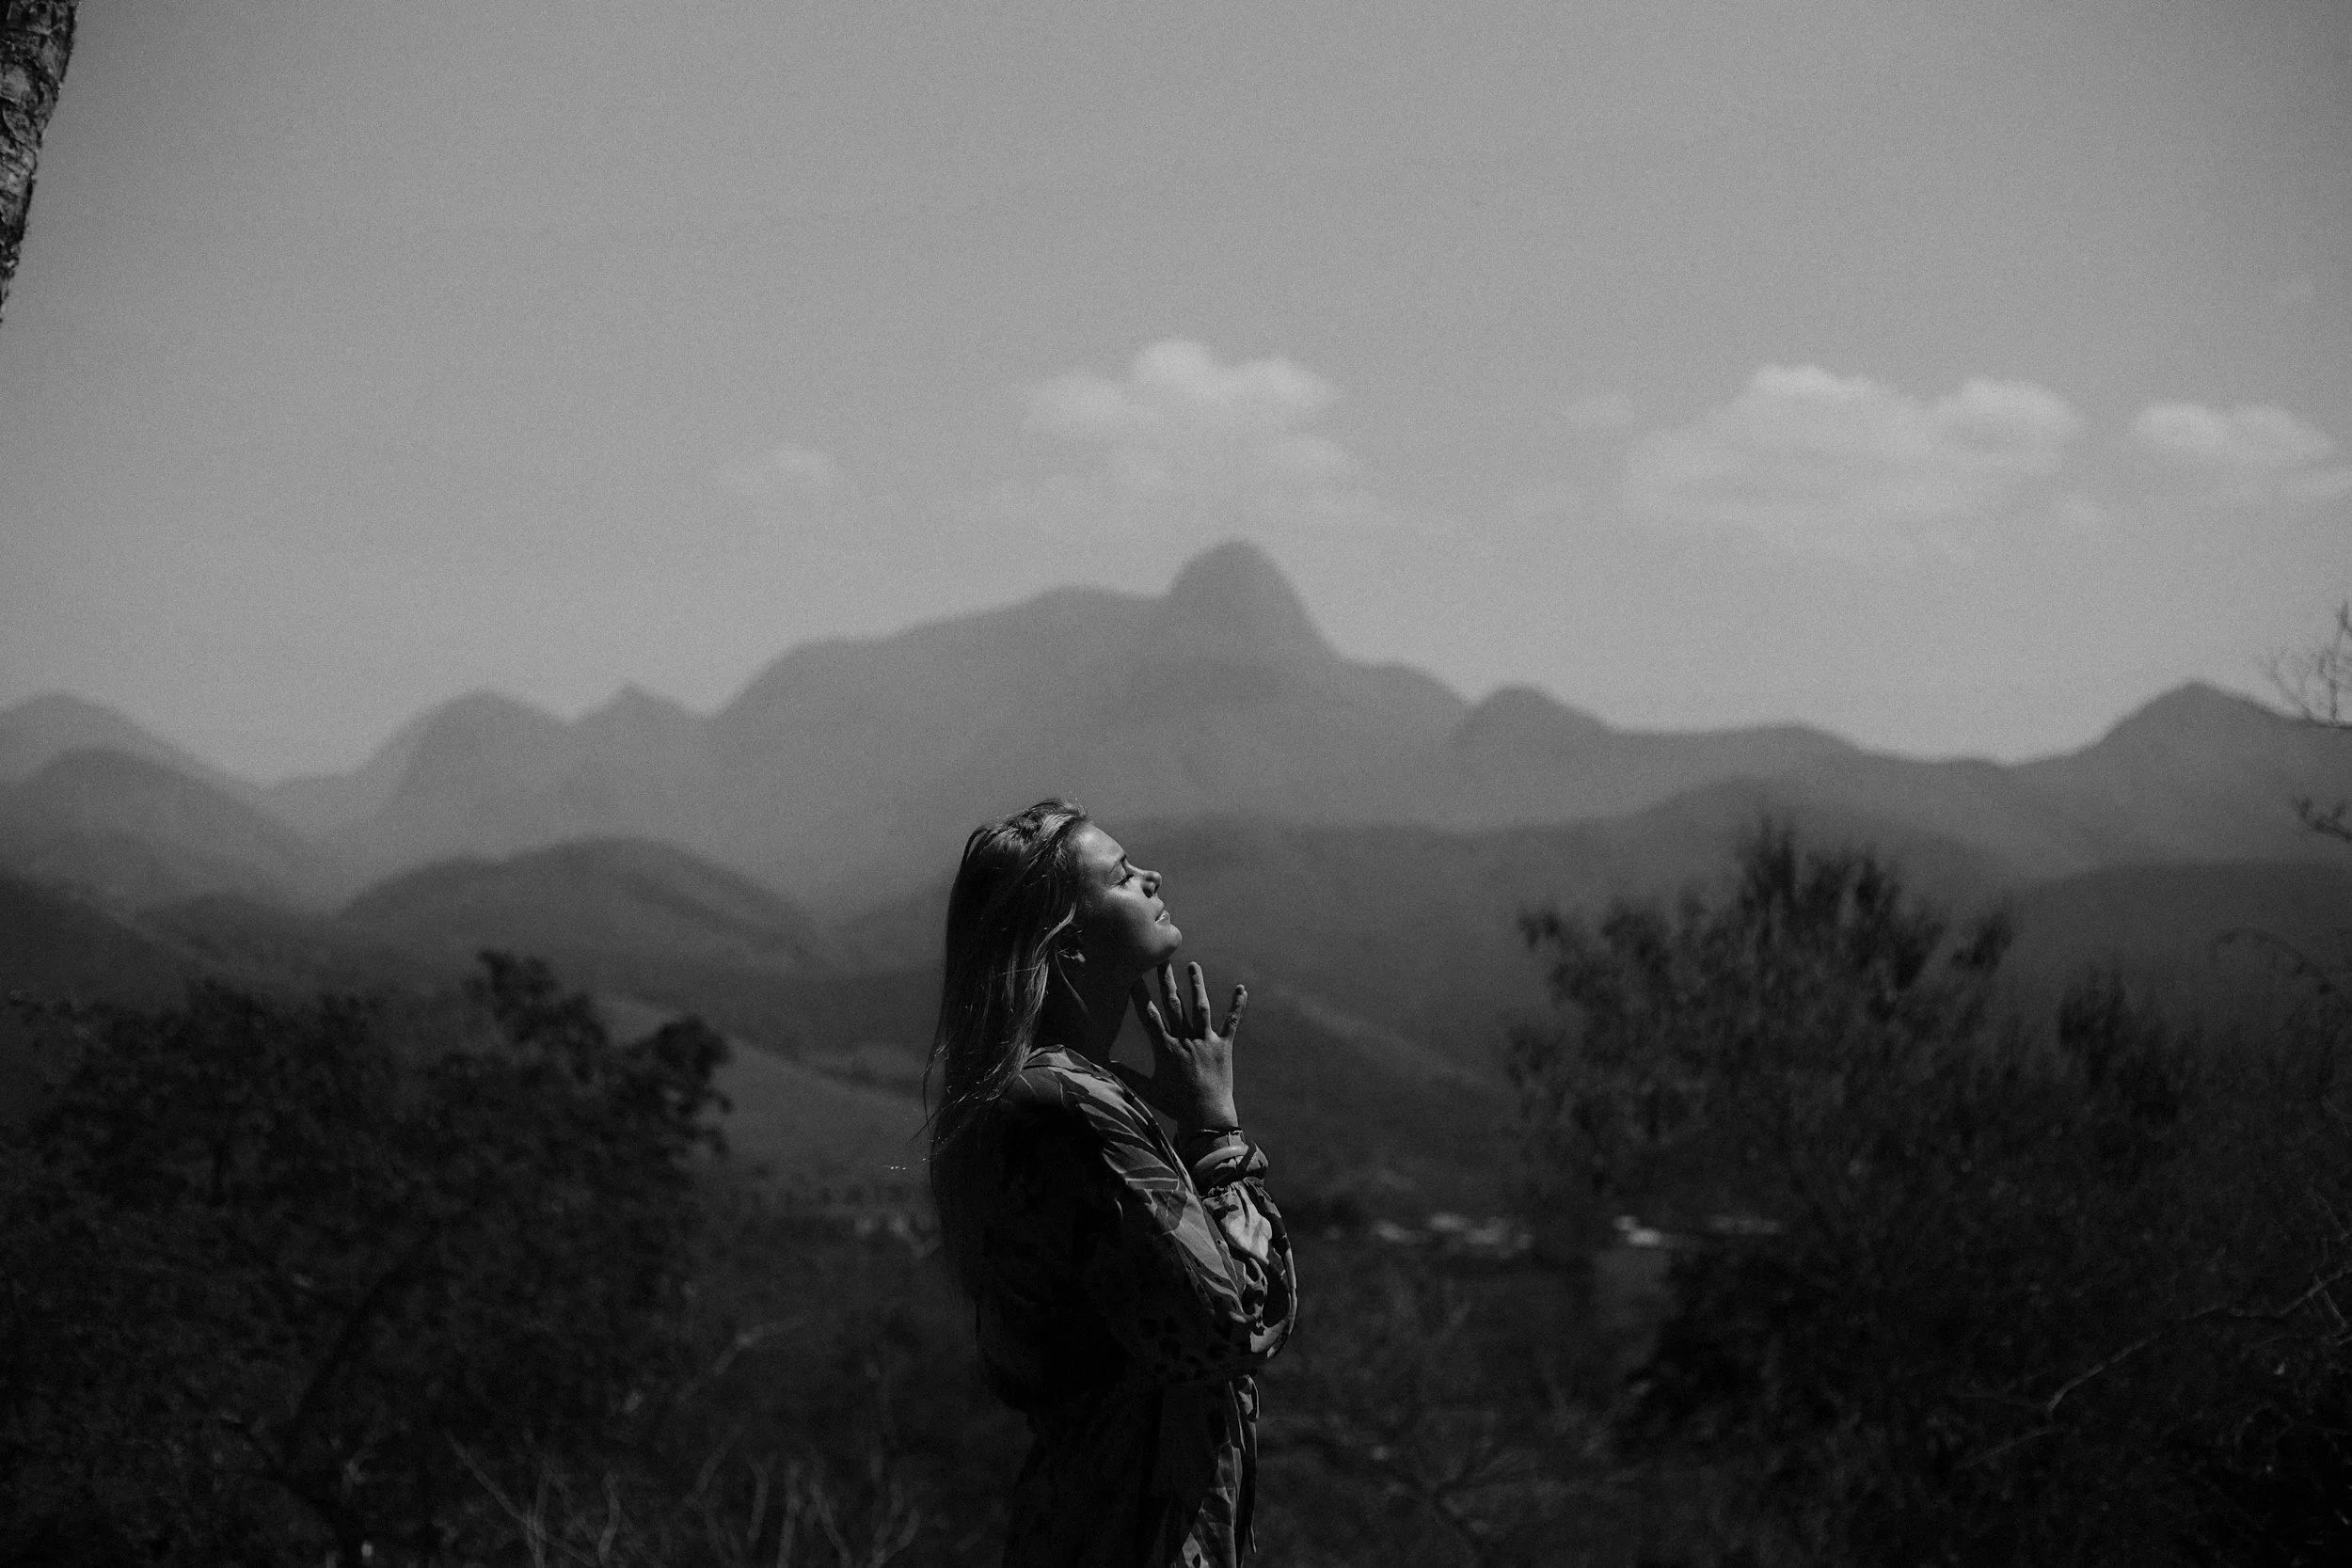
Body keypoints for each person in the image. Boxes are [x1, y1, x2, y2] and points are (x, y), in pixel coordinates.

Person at [926, 799, 1298, 1567]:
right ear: (1067, 949)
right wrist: (1219, 1136)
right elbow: (1229, 1325)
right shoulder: (1066, 1107)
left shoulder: (1041, 1098)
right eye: (1124, 876)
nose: (1153, 876)